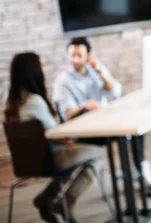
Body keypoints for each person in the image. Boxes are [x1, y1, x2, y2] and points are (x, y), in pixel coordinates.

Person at [4, 52, 105, 223]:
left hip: (27, 160)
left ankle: (46, 198)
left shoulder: (11, 102)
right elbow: (55, 133)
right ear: (33, 72)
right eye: (41, 67)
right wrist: (70, 137)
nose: (43, 70)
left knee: (80, 157)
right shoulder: (34, 101)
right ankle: (67, 200)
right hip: (49, 158)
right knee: (97, 154)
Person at [52, 37, 151, 186]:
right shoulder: (63, 81)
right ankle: (131, 177)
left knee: (135, 128)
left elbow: (115, 92)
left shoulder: (96, 70)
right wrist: (86, 106)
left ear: (88, 56)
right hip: (84, 132)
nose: (74, 59)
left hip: (105, 125)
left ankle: (141, 170)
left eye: (79, 55)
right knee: (124, 133)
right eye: (71, 55)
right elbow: (67, 115)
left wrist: (99, 71)